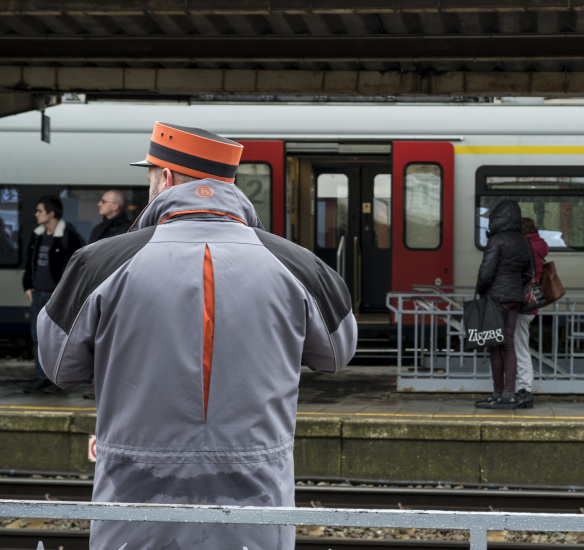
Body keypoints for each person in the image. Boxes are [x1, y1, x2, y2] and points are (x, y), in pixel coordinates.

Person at [36, 121, 358, 549]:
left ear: (164, 179)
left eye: (149, 175)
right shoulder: (300, 265)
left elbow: (59, 365)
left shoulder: (98, 263)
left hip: (133, 515)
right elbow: (337, 354)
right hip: (256, 513)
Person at [22, 195, 84, 394]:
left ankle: (57, 381)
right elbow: (29, 263)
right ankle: (41, 378)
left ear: (51, 213)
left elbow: (77, 267)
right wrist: (28, 286)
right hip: (38, 294)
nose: (36, 214)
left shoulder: (68, 236)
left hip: (56, 297)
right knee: (36, 337)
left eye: (39, 211)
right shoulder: (38, 234)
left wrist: (64, 292)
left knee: (57, 339)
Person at [474, 200, 531, 410]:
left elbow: (486, 272)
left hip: (495, 299)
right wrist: (516, 288)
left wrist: (481, 290)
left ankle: (497, 393)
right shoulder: (523, 241)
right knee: (509, 345)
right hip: (514, 300)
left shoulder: (496, 240)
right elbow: (529, 271)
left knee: (493, 346)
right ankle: (509, 393)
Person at [82, 189, 134, 400]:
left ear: (115, 206)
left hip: (113, 289)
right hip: (106, 288)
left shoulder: (126, 229)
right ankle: (100, 383)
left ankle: (106, 384)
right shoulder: (103, 229)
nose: (98, 204)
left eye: (103, 201)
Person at [514, 217, 550, 409]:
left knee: (519, 347)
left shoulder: (524, 247)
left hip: (521, 303)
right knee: (518, 345)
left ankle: (525, 390)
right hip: (531, 305)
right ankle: (518, 388)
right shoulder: (538, 245)